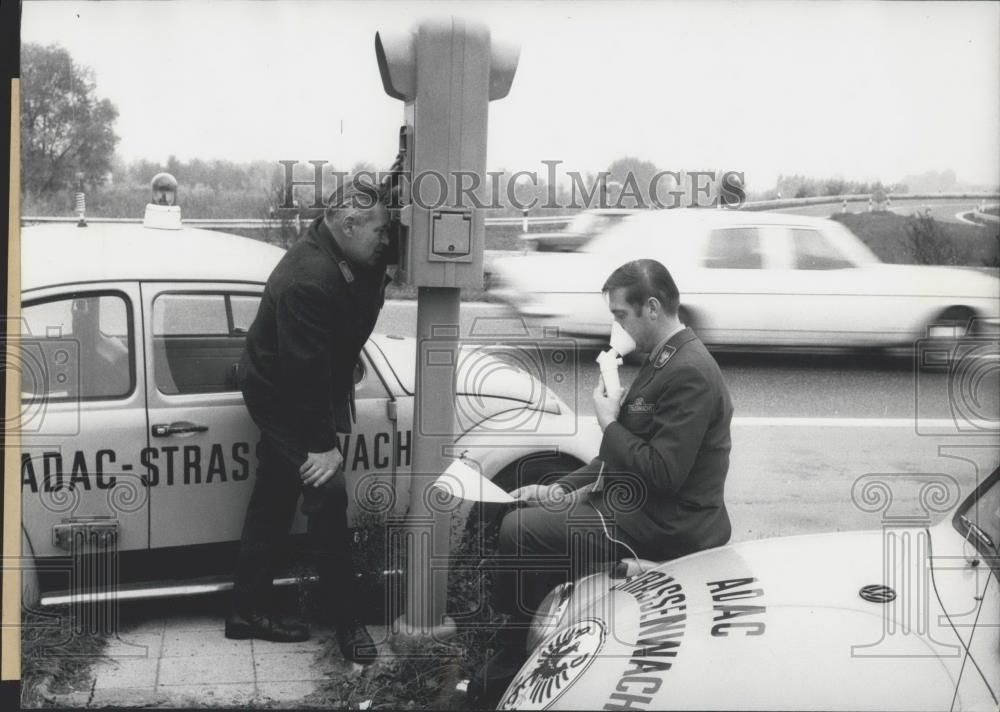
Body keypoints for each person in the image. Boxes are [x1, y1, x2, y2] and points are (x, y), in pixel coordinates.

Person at [470, 258, 733, 702]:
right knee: (534, 512)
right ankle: (555, 632)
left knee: (521, 531)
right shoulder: (665, 359)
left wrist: (609, 423)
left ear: (652, 308)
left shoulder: (688, 371)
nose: (617, 326)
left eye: (620, 315)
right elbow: (629, 458)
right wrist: (562, 488)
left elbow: (663, 475)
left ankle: (513, 656)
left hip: (669, 523)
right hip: (643, 506)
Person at [225, 174, 394, 665]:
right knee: (328, 496)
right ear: (347, 223)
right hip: (285, 396)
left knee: (274, 495)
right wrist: (322, 447)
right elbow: (303, 378)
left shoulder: (337, 249)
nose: (387, 241)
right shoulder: (310, 278)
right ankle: (347, 623)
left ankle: (245, 611)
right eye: (380, 232)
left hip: (291, 384)